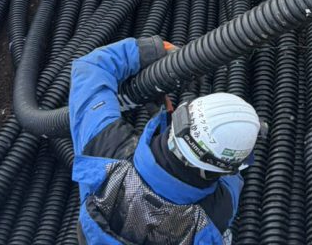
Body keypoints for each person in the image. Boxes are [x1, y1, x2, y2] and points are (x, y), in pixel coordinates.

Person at [69, 36, 262, 244]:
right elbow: (231, 178)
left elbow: (90, 68)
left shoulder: (106, 147)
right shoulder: (218, 211)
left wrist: (150, 50)